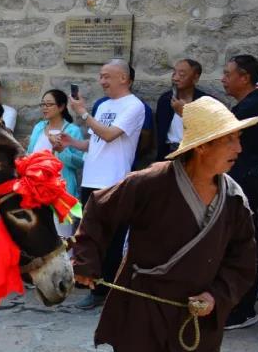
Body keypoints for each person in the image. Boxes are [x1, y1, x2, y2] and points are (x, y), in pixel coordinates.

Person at [74, 96, 258, 352]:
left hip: (197, 315)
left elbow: (244, 262)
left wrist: (217, 295)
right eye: (230, 141)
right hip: (145, 304)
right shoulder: (152, 181)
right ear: (204, 146)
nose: (238, 149)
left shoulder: (233, 200)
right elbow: (99, 210)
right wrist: (86, 261)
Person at [61, 59, 146, 309]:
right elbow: (95, 142)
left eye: (106, 76)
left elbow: (109, 135)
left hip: (113, 181)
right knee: (90, 237)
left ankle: (107, 290)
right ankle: (93, 286)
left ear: (124, 78)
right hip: (91, 179)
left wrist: (83, 113)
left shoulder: (134, 106)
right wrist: (72, 143)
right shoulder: (104, 105)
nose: (102, 81)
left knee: (112, 239)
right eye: (101, 76)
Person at [222, 54, 258, 331]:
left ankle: (244, 308)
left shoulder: (253, 106)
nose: (223, 78)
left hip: (247, 187)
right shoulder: (248, 104)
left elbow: (222, 133)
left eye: (228, 73)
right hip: (241, 185)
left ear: (244, 77)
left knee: (244, 245)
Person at [27, 89, 85, 235]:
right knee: (37, 235)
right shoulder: (39, 127)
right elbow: (29, 154)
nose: (44, 108)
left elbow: (80, 163)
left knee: (62, 237)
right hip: (35, 190)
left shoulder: (72, 130)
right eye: (43, 104)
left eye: (49, 104)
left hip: (61, 192)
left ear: (61, 107)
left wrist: (60, 149)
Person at [156, 59, 209, 161]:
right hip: (168, 153)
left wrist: (185, 113)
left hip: (194, 154)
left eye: (182, 75)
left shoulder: (205, 102)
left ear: (195, 78)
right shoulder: (165, 100)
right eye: (174, 73)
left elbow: (208, 132)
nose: (175, 78)